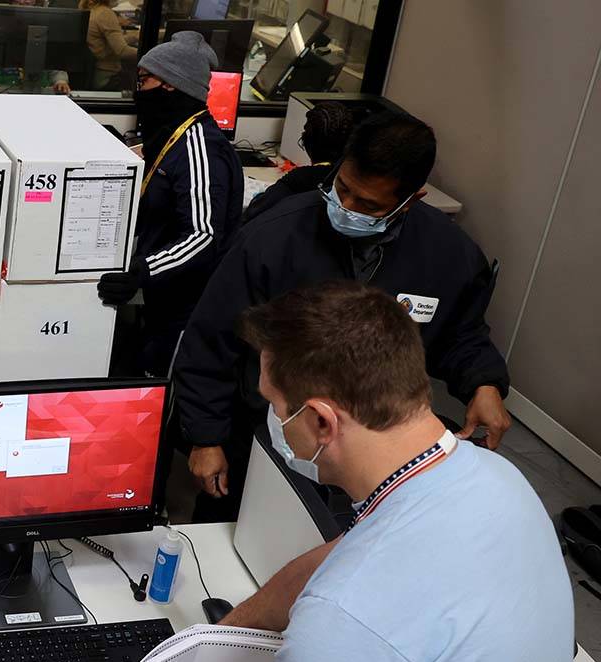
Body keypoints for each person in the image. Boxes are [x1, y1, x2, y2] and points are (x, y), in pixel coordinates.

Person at [82, 282, 572, 662]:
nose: (273, 420)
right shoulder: (491, 477)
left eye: (274, 404)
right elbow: (345, 552)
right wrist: (218, 637)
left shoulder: (350, 607)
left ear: (320, 421)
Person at [176, 111, 511, 521]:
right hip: (265, 435)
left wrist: (484, 383)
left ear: (411, 200)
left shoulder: (451, 256)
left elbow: (460, 333)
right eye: (343, 189)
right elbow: (210, 340)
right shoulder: (272, 238)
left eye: (368, 204)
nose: (347, 208)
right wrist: (206, 437)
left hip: (372, 450)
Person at [96, 31, 242, 376]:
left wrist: (141, 272)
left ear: (171, 86)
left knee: (160, 388)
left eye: (145, 80)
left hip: (186, 309)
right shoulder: (170, 138)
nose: (139, 89)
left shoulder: (201, 147)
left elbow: (202, 236)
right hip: (162, 300)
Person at [243, 101, 354, 222]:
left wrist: (260, 198)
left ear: (306, 141)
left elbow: (253, 214)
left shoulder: (300, 179)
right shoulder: (352, 179)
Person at [80, 0, 138, 90]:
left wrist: (135, 36)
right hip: (108, 77)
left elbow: (106, 43)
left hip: (95, 74)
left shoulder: (91, 10)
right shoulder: (105, 13)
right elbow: (122, 51)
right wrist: (149, 54)